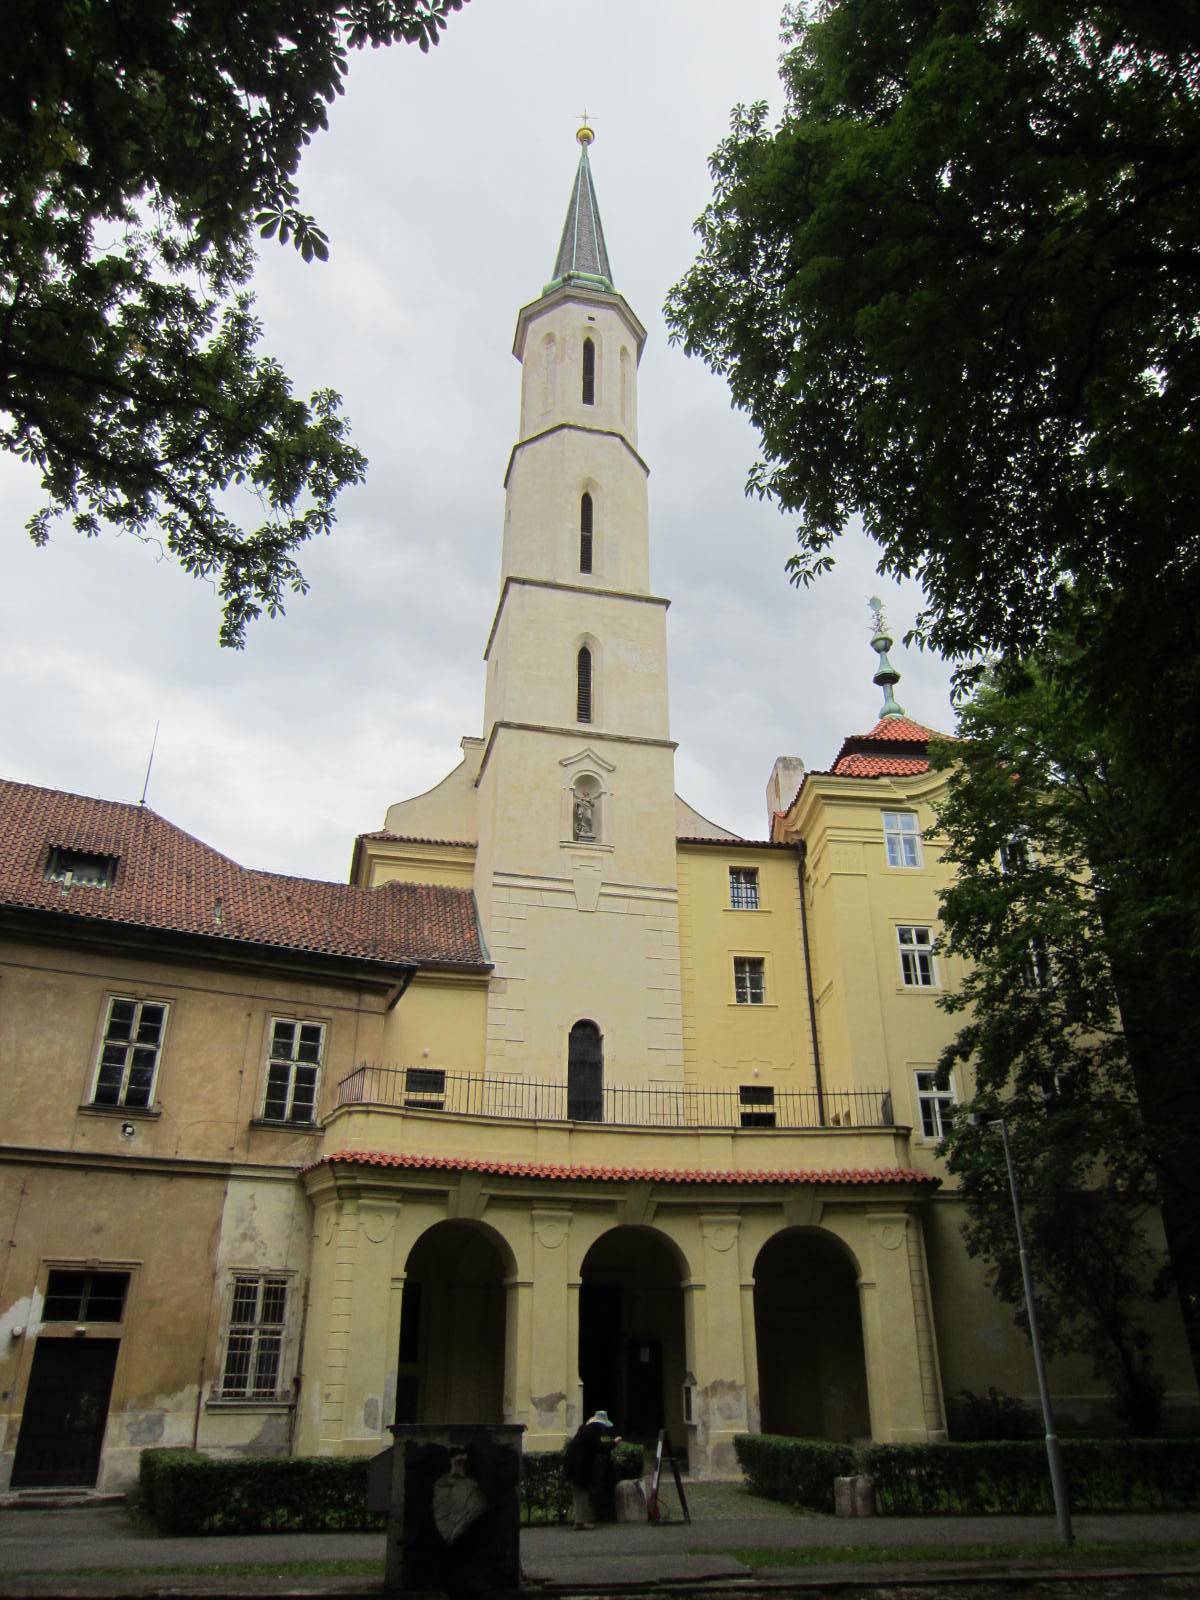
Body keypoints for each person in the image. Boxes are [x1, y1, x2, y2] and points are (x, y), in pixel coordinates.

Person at [565, 1408, 620, 1530]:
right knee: (582, 1492)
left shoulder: (585, 1428)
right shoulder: (594, 1429)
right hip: (579, 1466)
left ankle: (579, 1520)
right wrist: (613, 1444)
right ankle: (580, 1522)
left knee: (578, 1492)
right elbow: (598, 1446)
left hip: (573, 1463)